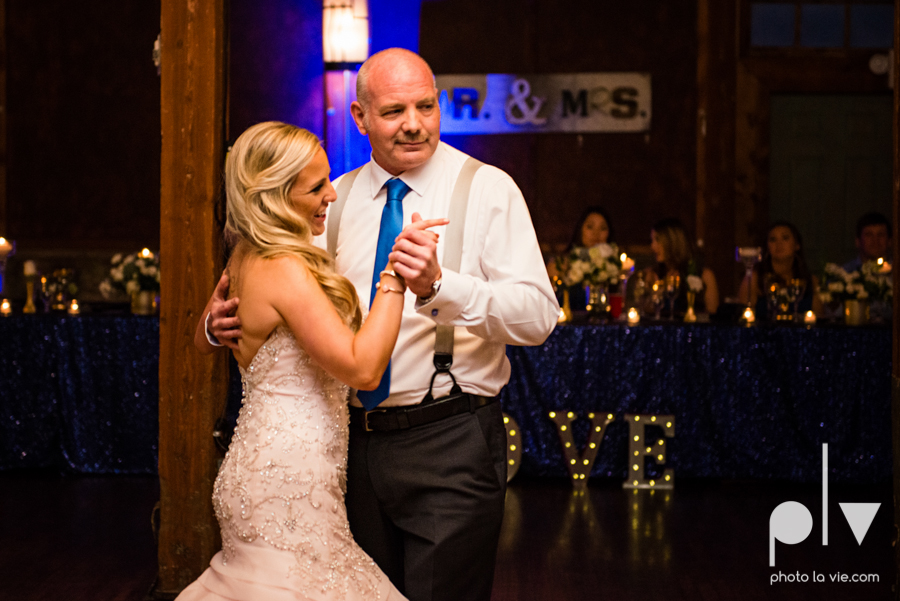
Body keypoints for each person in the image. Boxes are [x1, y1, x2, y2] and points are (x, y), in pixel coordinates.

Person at [200, 48, 559, 601]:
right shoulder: (327, 201)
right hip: (349, 455)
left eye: (426, 106)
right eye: (393, 111)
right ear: (360, 117)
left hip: (450, 440)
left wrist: (442, 287)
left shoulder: (488, 189)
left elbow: (538, 318)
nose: (414, 124)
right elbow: (270, 288)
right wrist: (216, 324)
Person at [180, 122, 448, 600]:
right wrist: (395, 276)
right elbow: (362, 368)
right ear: (274, 196)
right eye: (316, 186)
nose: (332, 194)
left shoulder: (245, 253)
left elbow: (205, 338)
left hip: (279, 472)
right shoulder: (283, 267)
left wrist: (208, 328)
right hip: (284, 486)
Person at [738, 221, 821, 319]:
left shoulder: (811, 281)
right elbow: (744, 318)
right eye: (773, 239)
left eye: (785, 238)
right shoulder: (754, 278)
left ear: (797, 245)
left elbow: (819, 318)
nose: (779, 244)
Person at [644, 217, 719, 316]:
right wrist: (658, 292)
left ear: (673, 241)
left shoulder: (704, 276)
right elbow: (645, 311)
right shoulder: (652, 274)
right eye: (652, 240)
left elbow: (712, 315)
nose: (652, 246)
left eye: (657, 240)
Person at [547, 206, 614, 311]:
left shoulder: (615, 267)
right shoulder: (561, 264)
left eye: (602, 228)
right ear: (580, 229)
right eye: (590, 227)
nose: (596, 233)